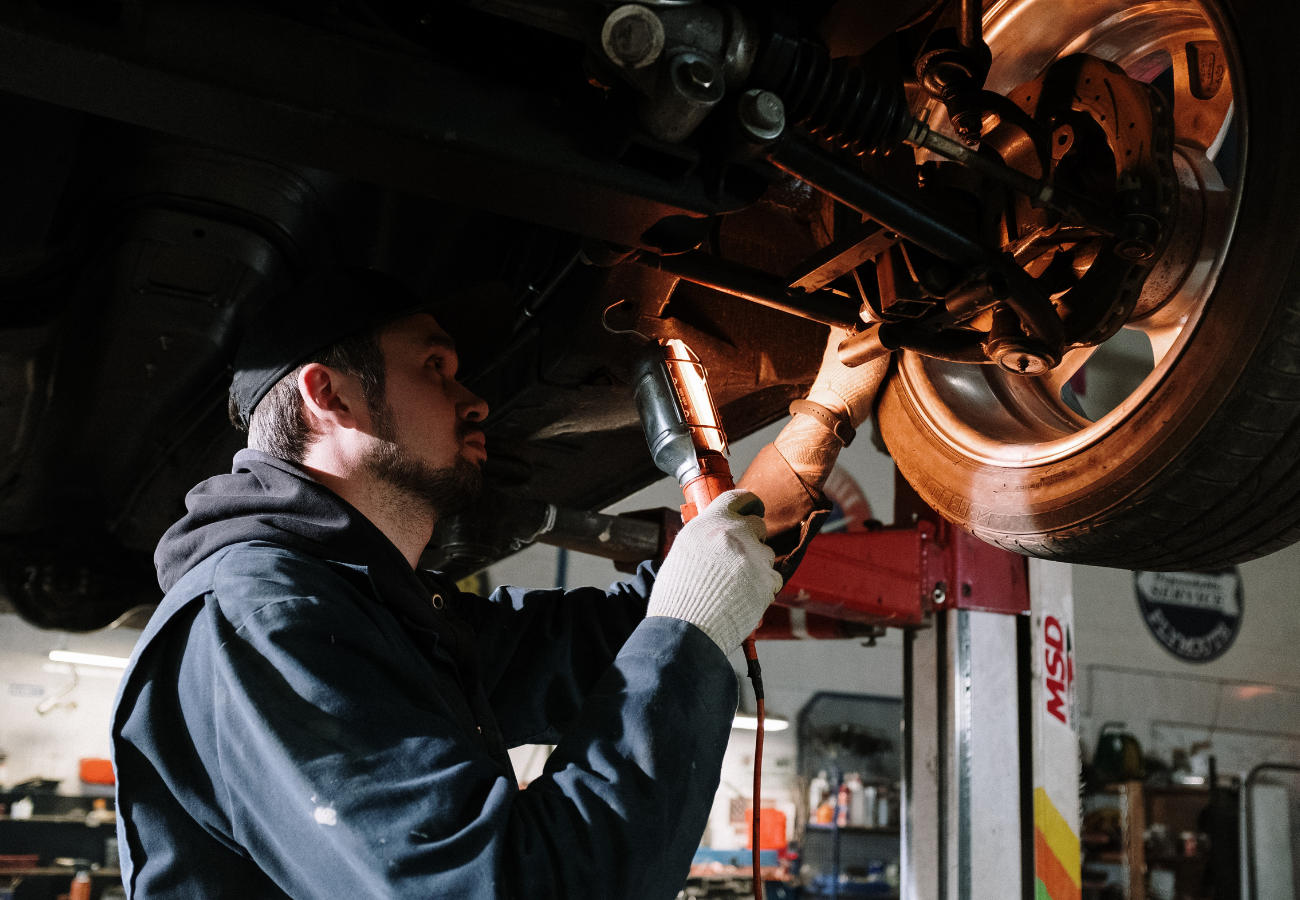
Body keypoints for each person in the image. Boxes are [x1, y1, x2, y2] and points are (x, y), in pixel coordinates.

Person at [110, 266, 887, 900]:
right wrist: (690, 629)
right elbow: (506, 887)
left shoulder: (373, 612)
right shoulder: (258, 618)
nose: (475, 397)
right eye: (435, 367)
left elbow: (617, 639)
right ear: (330, 395)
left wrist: (821, 421)